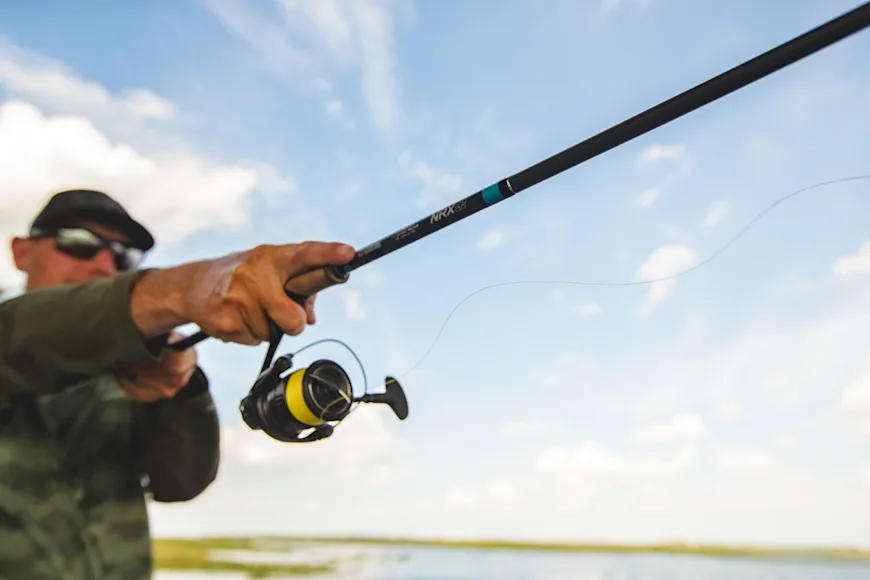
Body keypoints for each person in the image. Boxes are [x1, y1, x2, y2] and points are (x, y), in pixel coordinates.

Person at [0, 189, 355, 579]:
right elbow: (20, 339)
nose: (105, 266)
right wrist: (179, 291)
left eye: (125, 257)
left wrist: (183, 389)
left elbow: (181, 482)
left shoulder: (128, 364)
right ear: (21, 252)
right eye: (80, 244)